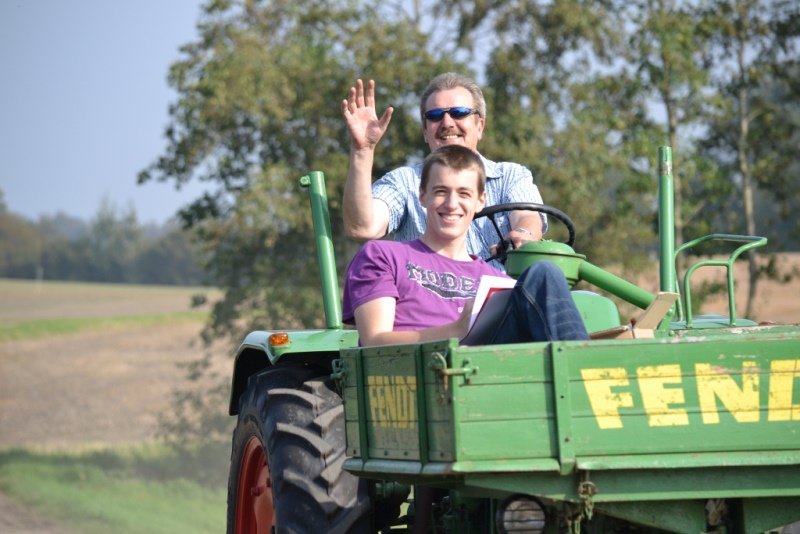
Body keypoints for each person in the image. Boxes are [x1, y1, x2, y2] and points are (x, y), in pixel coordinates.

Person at [342, 145, 588, 347]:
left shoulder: (496, 281)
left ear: (480, 201)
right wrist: (456, 330)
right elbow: (374, 342)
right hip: (423, 374)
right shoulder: (383, 256)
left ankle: (585, 375)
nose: (452, 204)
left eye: (464, 194)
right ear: (423, 196)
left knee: (543, 273)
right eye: (441, 191)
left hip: (494, 369)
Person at [341, 73, 546, 267]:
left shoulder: (510, 176)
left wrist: (522, 234)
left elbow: (527, 217)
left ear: (480, 126)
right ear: (425, 131)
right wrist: (362, 150)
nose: (447, 123)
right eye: (435, 115)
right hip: (427, 293)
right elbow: (362, 226)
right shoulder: (403, 182)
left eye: (459, 113)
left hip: (504, 291)